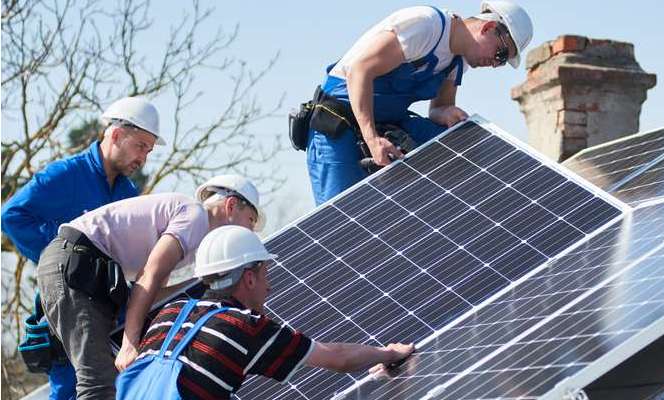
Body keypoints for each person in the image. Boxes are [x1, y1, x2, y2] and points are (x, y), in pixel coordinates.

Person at [36, 174, 266, 399]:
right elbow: (149, 277)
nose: (250, 231)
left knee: (107, 382)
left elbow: (152, 294)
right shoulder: (195, 216)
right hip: (77, 265)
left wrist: (203, 286)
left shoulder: (190, 233)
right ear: (231, 205)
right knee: (98, 382)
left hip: (82, 269)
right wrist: (129, 344)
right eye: (250, 220)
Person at [119, 225, 414, 399]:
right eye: (265, 273)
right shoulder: (243, 326)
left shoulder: (170, 312)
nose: (269, 286)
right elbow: (337, 357)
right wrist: (389, 354)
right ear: (249, 277)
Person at [2, 96, 162, 400]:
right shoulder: (66, 175)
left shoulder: (129, 195)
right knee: (69, 390)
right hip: (69, 306)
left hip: (110, 311)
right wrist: (63, 258)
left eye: (149, 151)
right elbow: (12, 216)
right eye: (141, 146)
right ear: (116, 135)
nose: (143, 159)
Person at [305, 1, 533, 204]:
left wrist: (446, 113)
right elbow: (360, 70)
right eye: (501, 54)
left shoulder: (458, 62)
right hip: (339, 122)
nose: (495, 64)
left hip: (390, 121)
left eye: (502, 62)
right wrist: (372, 139)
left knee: (463, 146)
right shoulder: (426, 25)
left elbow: (437, 109)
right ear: (488, 28)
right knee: (342, 215)